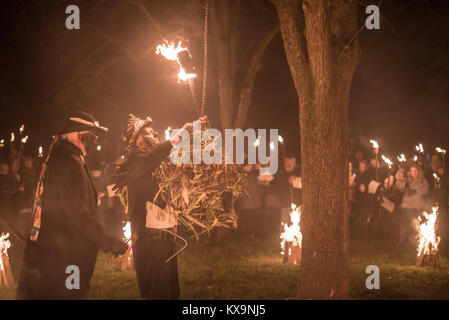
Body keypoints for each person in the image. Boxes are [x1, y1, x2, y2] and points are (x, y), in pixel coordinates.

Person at [17, 111, 128, 300]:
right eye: (92, 137)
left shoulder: (62, 156)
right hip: (66, 258)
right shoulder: (69, 161)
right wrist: (109, 242)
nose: (95, 141)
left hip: (55, 253)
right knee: (71, 294)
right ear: (78, 135)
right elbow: (78, 214)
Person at [123, 114, 207, 300]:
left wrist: (195, 136)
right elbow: (154, 156)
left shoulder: (155, 161)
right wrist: (181, 134)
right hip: (152, 239)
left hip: (165, 235)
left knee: (170, 292)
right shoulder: (137, 158)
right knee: (158, 292)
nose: (155, 135)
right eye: (149, 133)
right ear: (138, 142)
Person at [395, 164, 429, 247]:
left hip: (417, 206)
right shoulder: (407, 181)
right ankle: (401, 242)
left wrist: (415, 190)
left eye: (415, 171)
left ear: (419, 172)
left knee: (415, 225)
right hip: (406, 206)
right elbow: (399, 187)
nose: (413, 173)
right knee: (404, 224)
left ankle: (415, 243)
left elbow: (425, 192)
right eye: (411, 171)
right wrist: (400, 180)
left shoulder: (423, 182)